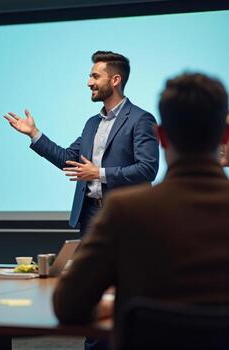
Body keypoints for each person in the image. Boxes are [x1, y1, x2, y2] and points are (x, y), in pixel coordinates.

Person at [52, 73, 229, 349]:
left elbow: (68, 305)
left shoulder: (126, 211)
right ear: (225, 135)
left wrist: (115, 311)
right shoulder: (92, 127)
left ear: (161, 137)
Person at [4, 51, 159, 235]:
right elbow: (68, 159)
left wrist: (99, 173)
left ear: (115, 80)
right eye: (90, 76)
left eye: (95, 76)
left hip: (127, 217)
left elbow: (147, 169)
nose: (89, 83)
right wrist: (33, 133)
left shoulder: (141, 119)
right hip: (90, 217)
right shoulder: (92, 123)